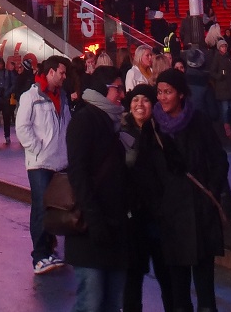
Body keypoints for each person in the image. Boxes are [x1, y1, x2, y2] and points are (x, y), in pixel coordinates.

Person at [152, 66, 229, 312]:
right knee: (178, 290)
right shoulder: (154, 127)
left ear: (181, 94)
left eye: (168, 92)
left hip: (199, 215)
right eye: (160, 92)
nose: (163, 97)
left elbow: (219, 160)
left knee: (205, 289)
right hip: (171, 218)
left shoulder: (199, 121)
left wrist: (211, 194)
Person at [64, 66, 130, 312]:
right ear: (104, 89)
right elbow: (78, 174)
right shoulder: (85, 120)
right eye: (118, 88)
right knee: (91, 302)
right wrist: (95, 219)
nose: (122, 94)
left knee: (112, 302)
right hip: (90, 229)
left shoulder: (116, 122)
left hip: (116, 227)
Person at [14, 54, 69, 274]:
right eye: (62, 72)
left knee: (53, 208)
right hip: (39, 164)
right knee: (40, 207)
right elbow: (22, 127)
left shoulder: (62, 96)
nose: (65, 76)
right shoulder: (31, 96)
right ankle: (39, 255)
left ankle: (48, 249)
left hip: (59, 161)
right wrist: (37, 148)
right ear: (51, 72)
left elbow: (66, 125)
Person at [122, 84, 173, 312]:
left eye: (145, 100)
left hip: (160, 217)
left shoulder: (162, 131)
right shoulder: (121, 132)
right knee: (132, 280)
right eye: (135, 99)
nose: (139, 105)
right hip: (132, 218)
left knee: (168, 278)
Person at [207, 38, 231, 138]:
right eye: (222, 46)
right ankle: (228, 131)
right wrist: (220, 76)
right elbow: (212, 72)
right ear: (219, 48)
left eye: (225, 46)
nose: (224, 48)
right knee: (226, 110)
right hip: (223, 88)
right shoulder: (217, 58)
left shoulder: (228, 58)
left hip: (230, 87)